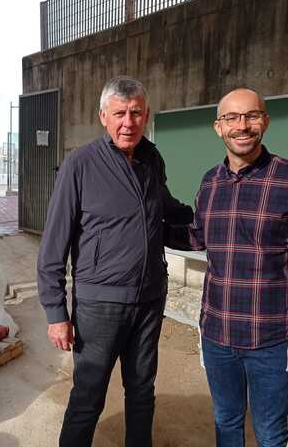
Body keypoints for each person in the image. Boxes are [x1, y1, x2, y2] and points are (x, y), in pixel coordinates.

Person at [37, 76, 193, 447]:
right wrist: (56, 313)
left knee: (142, 390)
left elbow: (163, 211)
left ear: (146, 115)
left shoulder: (152, 159)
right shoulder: (80, 164)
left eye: (136, 113)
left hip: (149, 300)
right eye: (120, 113)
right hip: (99, 306)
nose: (129, 122)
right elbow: (53, 245)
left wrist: (210, 220)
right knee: (88, 396)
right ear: (103, 117)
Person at [171, 88, 288, 447]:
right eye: (231, 118)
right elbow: (197, 238)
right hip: (217, 333)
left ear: (265, 121)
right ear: (218, 127)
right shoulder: (210, 182)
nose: (242, 126)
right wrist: (144, 224)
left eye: (251, 116)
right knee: (226, 422)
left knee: (271, 432)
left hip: (272, 339)